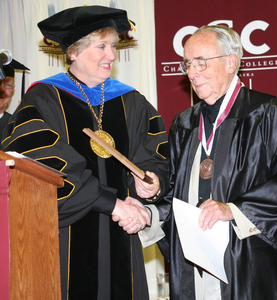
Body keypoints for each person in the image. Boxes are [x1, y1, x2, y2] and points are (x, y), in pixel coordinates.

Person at [1, 5, 168, 300]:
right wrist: (112, 204)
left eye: (114, 46)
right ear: (73, 52)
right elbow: (42, 165)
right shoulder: (43, 99)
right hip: (67, 234)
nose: (112, 55)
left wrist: (150, 184)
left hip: (123, 233)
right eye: (102, 46)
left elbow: (154, 153)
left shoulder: (131, 101)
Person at [121, 25, 277, 299]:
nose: (192, 73)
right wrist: (149, 212)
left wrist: (233, 210)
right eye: (188, 64)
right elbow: (176, 197)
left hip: (249, 265)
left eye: (201, 63)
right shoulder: (184, 123)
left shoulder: (271, 114)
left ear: (231, 62)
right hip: (195, 268)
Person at [0, 59, 29, 140]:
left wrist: (18, 120)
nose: (2, 90)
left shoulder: (15, 123)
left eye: (7, 85)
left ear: (13, 90)